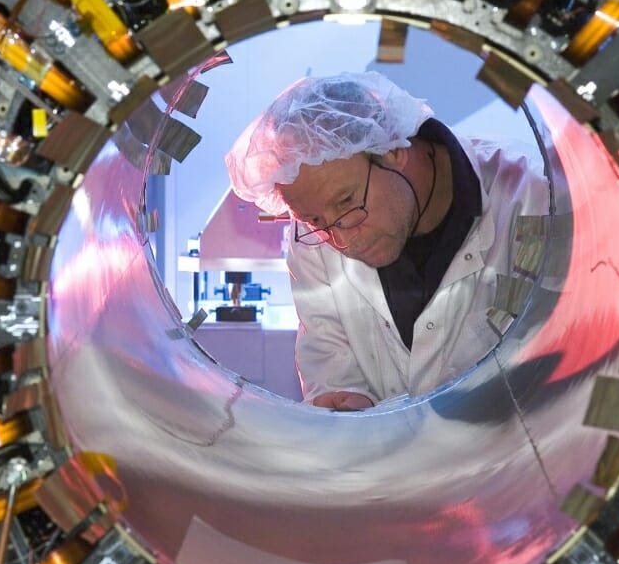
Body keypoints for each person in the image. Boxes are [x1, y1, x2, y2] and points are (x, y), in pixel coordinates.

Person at [225, 71, 548, 410]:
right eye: (315, 220)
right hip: (382, 458)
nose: (341, 238)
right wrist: (344, 400)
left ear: (393, 149)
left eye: (348, 201)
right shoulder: (312, 233)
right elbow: (328, 350)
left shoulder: (532, 198)